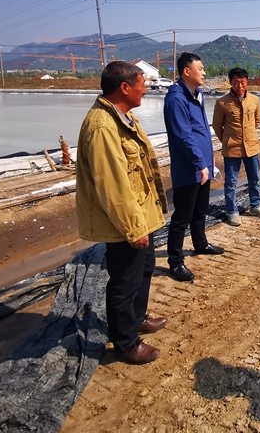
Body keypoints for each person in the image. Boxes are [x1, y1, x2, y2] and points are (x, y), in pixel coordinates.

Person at [76, 61, 168, 365]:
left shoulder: (123, 117)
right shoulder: (103, 126)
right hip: (125, 222)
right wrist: (133, 228)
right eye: (142, 84)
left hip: (141, 213)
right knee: (124, 282)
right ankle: (125, 343)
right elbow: (112, 185)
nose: (146, 89)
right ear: (125, 88)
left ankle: (137, 318)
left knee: (144, 269)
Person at [163, 53, 224, 283]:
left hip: (203, 165)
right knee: (182, 217)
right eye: (201, 68)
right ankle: (175, 262)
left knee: (200, 209)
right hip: (189, 168)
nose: (204, 73)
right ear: (186, 71)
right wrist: (199, 163)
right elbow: (183, 136)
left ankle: (200, 243)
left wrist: (209, 161)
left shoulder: (198, 94)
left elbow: (201, 131)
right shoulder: (176, 99)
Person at [213, 67, 260, 227]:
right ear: (231, 82)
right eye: (236, 82)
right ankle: (232, 211)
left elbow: (257, 121)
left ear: (247, 82)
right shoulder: (222, 102)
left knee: (254, 177)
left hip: (251, 146)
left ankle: (255, 205)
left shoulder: (254, 100)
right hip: (232, 148)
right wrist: (227, 140)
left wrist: (248, 135)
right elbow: (217, 126)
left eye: (242, 82)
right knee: (231, 181)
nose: (240, 86)